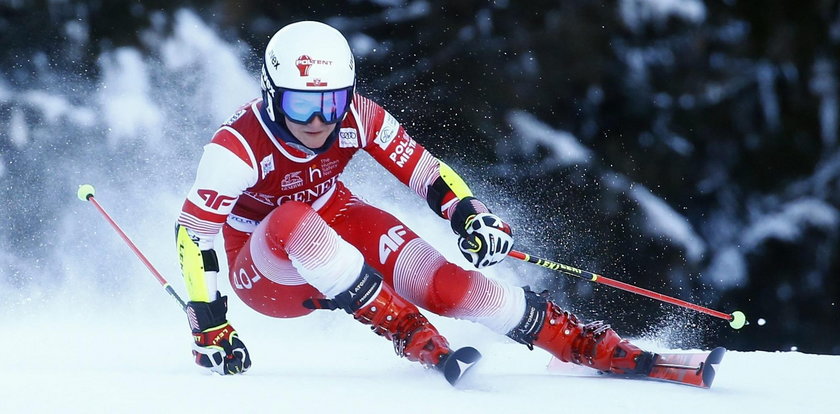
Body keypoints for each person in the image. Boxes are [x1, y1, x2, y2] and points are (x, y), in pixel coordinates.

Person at [175, 20, 655, 378]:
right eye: (302, 104)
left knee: (441, 281)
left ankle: (576, 342)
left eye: (333, 103)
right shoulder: (237, 147)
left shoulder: (359, 117)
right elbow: (193, 232)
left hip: (334, 218)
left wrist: (470, 216)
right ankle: (407, 328)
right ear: (271, 94)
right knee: (291, 218)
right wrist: (208, 321)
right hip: (263, 269)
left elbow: (426, 171)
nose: (319, 121)